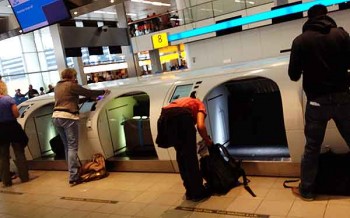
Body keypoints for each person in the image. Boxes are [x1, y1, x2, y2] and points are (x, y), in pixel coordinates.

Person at [288, 4, 350, 201]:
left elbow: (293, 75)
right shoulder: (341, 35)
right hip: (343, 99)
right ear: (326, 15)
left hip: (316, 103)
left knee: (312, 147)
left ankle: (307, 190)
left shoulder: (300, 41)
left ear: (308, 19)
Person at [52, 68, 110, 186]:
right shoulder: (71, 85)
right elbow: (88, 92)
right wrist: (103, 92)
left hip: (56, 117)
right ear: (72, 76)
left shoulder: (58, 86)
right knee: (73, 147)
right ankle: (73, 176)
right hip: (68, 117)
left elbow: (69, 99)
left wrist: (86, 99)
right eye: (75, 76)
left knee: (67, 147)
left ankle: (74, 172)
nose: (75, 78)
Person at [156, 92, 213, 202]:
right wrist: (207, 141)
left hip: (165, 119)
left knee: (181, 157)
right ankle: (198, 193)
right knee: (190, 159)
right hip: (181, 119)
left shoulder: (183, 101)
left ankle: (189, 191)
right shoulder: (199, 104)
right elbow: (201, 126)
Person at [0, 80, 29, 187]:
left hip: (0, 130)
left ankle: (6, 181)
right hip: (12, 127)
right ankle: (24, 177)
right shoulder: (8, 99)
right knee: (19, 153)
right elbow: (16, 114)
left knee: (3, 156)